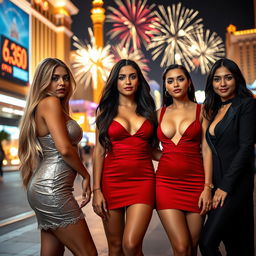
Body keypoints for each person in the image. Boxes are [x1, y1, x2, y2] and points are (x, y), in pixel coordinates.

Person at [18, 58, 97, 256]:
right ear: (44, 81)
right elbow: (64, 148)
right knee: (88, 253)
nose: (62, 83)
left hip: (48, 189)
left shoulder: (51, 106)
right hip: (52, 190)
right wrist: (86, 175)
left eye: (65, 78)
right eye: (55, 78)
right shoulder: (50, 102)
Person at [92, 59, 158, 256]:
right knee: (115, 247)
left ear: (139, 80)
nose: (127, 81)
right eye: (122, 77)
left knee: (131, 244)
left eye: (132, 76)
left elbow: (152, 150)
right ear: (115, 82)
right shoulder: (105, 112)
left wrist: (179, 158)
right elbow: (98, 152)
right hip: (112, 182)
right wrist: (97, 190)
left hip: (143, 182)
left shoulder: (149, 112)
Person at [199, 58, 256, 256]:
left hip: (235, 184)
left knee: (207, 242)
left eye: (228, 78)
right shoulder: (213, 110)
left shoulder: (246, 105)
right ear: (211, 83)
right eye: (217, 79)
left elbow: (246, 147)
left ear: (236, 79)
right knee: (233, 242)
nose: (222, 84)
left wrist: (225, 187)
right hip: (218, 183)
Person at [156, 64, 213, 256]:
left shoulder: (202, 110)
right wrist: (168, 156)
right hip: (165, 185)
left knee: (192, 247)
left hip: (196, 185)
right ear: (165, 87)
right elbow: (145, 147)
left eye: (180, 79)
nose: (175, 84)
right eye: (170, 81)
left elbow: (207, 150)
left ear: (188, 82)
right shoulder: (159, 114)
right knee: (181, 247)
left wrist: (207, 187)